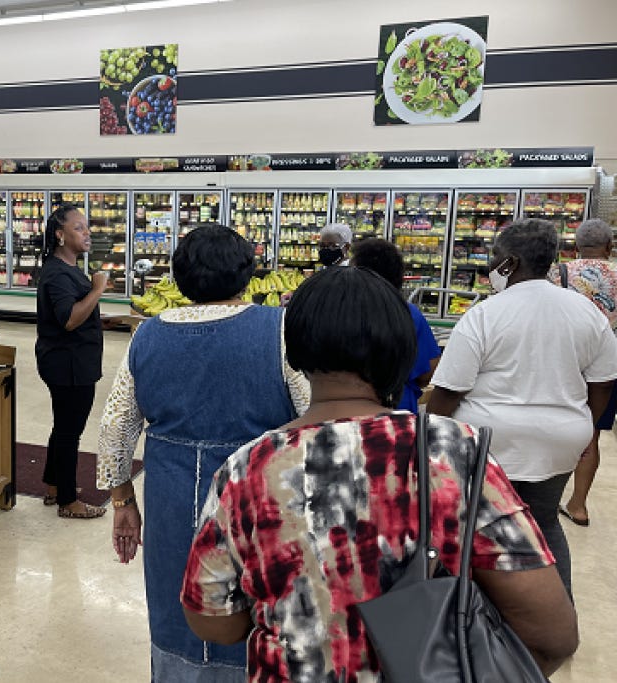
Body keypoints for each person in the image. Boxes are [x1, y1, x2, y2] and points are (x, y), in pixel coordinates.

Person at [180, 266, 578, 682]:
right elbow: (551, 634)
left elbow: (213, 622)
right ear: (402, 353)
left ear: (293, 352)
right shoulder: (452, 450)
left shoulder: (246, 468)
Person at [97, 224, 309, 681]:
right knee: (254, 598)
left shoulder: (147, 335)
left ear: (180, 277)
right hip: (259, 498)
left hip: (172, 494)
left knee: (178, 596)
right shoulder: (279, 331)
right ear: (247, 273)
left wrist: (122, 503)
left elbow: (116, 427)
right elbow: (313, 414)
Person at [428, 218, 617, 596]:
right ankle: (557, 616)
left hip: (490, 443)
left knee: (474, 525)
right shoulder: (586, 312)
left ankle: (469, 614)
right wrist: (585, 425)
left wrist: (429, 431)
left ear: (510, 262)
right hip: (561, 440)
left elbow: (450, 390)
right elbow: (604, 382)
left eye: (495, 257)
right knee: (544, 522)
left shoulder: (485, 314)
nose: (490, 265)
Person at [36, 203, 109, 519]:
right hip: (69, 366)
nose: (87, 232)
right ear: (60, 235)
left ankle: (54, 484)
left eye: (87, 227)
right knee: (70, 431)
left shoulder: (65, 269)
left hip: (70, 362)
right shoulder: (57, 274)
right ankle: (68, 501)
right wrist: (98, 290)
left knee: (62, 426)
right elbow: (68, 319)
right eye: (79, 227)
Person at [547, 218, 617, 527]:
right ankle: (578, 505)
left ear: (575, 248)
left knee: (550, 425)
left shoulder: (557, 274)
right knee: (591, 434)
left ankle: (542, 497)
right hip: (608, 365)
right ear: (610, 246)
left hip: (564, 359)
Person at [351, 238, 441, 412]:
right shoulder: (408, 313)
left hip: (345, 413)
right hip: (397, 409)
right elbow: (428, 372)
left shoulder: (342, 310)